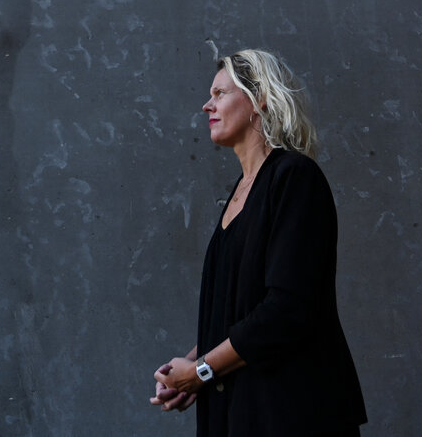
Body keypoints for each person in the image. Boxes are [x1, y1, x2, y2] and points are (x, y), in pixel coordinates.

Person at [150, 50, 367, 436]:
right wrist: (188, 372)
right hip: (240, 412)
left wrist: (201, 371)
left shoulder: (294, 178)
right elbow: (240, 311)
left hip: (292, 414)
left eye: (219, 94)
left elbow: (286, 310)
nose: (206, 106)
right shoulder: (240, 192)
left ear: (259, 99)